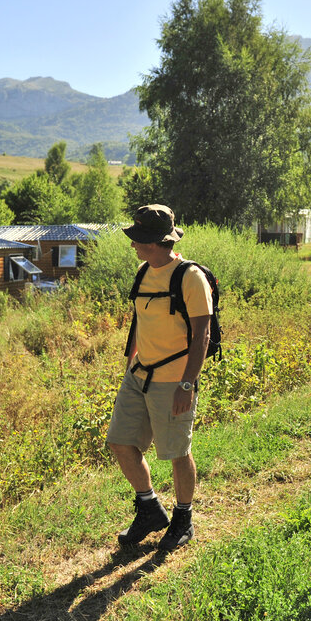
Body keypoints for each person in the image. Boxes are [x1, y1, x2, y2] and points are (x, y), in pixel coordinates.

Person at [106, 204, 213, 551]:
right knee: (121, 442)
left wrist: (187, 383)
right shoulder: (142, 272)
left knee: (177, 452)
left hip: (174, 379)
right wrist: (129, 367)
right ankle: (149, 507)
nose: (133, 245)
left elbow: (202, 336)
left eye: (138, 240)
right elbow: (140, 322)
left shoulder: (190, 277)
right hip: (139, 374)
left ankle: (183, 518)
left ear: (154, 242)